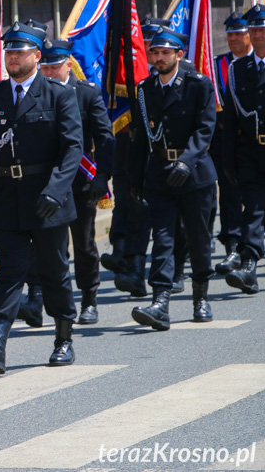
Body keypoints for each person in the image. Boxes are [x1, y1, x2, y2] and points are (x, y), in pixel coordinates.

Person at [0, 21, 82, 374]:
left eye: (20, 51)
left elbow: (72, 149)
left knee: (54, 272)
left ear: (37, 56)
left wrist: (56, 191)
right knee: (9, 272)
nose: (12, 57)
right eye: (9, 50)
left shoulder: (59, 94)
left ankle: (63, 337)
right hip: (7, 198)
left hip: (47, 200)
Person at [127, 27, 217, 329]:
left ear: (179, 55)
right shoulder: (145, 88)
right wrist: (134, 180)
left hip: (194, 174)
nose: (160, 58)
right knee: (163, 238)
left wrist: (186, 162)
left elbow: (205, 129)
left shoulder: (198, 85)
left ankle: (200, 297)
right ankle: (160, 301)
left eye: (166, 53)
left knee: (198, 237)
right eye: (156, 52)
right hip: (160, 174)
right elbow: (140, 139)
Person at [23, 39, 114, 325]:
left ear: (68, 64)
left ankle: (89, 298)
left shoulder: (85, 93)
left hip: (79, 180)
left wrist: (102, 175)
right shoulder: (34, 93)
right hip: (43, 182)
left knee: (83, 243)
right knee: (41, 244)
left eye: (55, 66)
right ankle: (37, 298)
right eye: (45, 66)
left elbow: (105, 137)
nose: (49, 72)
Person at [113, 17, 190, 296]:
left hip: (177, 158)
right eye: (144, 41)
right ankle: (134, 270)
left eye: (152, 40)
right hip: (144, 154)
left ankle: (178, 269)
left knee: (176, 223)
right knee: (138, 212)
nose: (147, 46)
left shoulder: (187, 75)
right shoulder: (133, 74)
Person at [223, 4, 265, 295]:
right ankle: (249, 266)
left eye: (262, 29)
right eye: (254, 29)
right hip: (252, 151)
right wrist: (229, 160)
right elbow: (230, 117)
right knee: (253, 209)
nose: (258, 34)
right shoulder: (237, 69)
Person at [212, 12, 250, 275]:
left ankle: (252, 244)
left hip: (254, 141)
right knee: (228, 192)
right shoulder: (217, 66)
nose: (233, 38)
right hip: (226, 140)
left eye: (239, 33)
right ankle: (233, 246)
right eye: (230, 33)